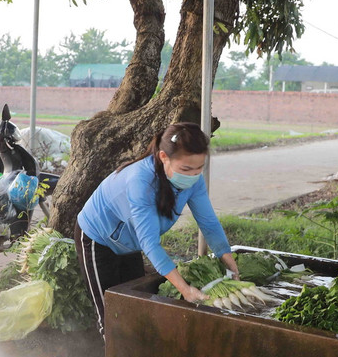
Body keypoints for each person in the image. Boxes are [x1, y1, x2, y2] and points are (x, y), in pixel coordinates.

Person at [75, 122, 238, 336]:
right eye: (186, 169)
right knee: (110, 313)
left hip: (130, 241)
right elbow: (150, 244)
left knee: (134, 305)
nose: (193, 175)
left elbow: (209, 224)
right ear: (163, 157)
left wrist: (232, 267)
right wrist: (185, 290)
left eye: (199, 168)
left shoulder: (193, 181)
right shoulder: (140, 182)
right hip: (98, 237)